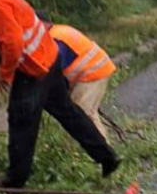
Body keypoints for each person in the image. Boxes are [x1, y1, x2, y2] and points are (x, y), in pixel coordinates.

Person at [0, 0, 121, 188]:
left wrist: (4, 73)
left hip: (33, 72)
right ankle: (107, 157)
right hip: (51, 61)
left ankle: (15, 180)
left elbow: (14, 44)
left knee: (20, 120)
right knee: (69, 113)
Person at [39, 12, 117, 141]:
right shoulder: (59, 32)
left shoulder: (55, 39)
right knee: (83, 111)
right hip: (93, 71)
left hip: (92, 73)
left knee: (83, 113)